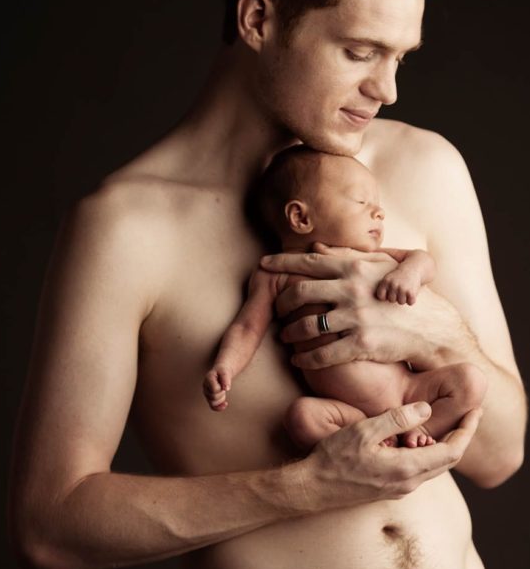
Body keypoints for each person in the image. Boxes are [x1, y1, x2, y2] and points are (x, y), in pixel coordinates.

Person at [7, 0, 530, 569]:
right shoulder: (126, 229)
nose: (389, 90)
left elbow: (503, 450)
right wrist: (302, 488)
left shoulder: (426, 168)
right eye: (362, 50)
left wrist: (444, 336)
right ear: (259, 20)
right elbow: (47, 525)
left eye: (402, 58)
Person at [203, 146, 488, 451]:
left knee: (471, 381)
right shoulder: (275, 274)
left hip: (408, 389)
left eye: (378, 205)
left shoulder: (365, 259)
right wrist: (226, 365)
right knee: (301, 418)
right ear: (300, 217)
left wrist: (409, 274)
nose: (378, 212)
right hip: (347, 413)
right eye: (361, 201)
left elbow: (421, 260)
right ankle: (371, 441)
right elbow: (247, 327)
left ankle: (415, 431)